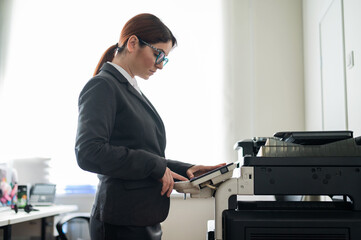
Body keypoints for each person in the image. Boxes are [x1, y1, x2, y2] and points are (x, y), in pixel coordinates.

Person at [75, 13, 225, 240]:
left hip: (141, 218)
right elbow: (88, 152)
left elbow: (142, 152)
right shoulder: (103, 86)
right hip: (121, 221)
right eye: (158, 54)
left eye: (164, 58)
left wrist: (186, 170)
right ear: (133, 43)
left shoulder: (129, 88)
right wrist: (155, 166)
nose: (160, 65)